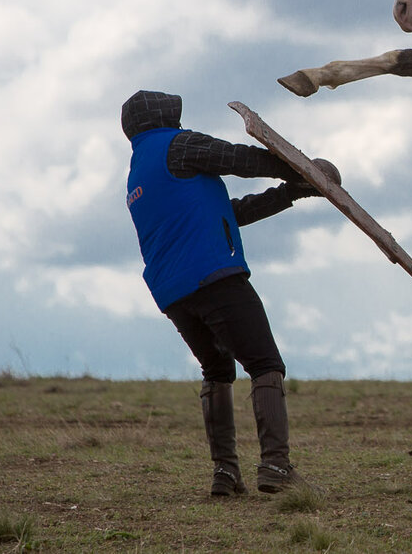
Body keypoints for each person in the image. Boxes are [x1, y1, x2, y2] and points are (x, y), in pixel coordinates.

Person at [122, 90, 337, 497]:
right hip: (214, 276)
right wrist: (300, 169)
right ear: (164, 118)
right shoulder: (179, 145)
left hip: (174, 294)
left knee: (218, 372)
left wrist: (290, 194)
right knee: (265, 363)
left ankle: (225, 474)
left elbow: (225, 215)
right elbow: (236, 158)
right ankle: (276, 465)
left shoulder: (139, 175)